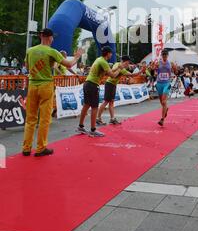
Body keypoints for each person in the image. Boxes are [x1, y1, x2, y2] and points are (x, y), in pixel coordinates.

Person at [23, 28, 83, 157]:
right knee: (44, 119)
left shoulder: (30, 50)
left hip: (32, 85)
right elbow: (68, 64)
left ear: (40, 36)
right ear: (50, 38)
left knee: (30, 119)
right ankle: (40, 148)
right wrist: (77, 56)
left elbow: (27, 67)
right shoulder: (52, 51)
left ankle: (26, 148)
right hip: (46, 86)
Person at [76, 47, 123, 137]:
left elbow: (108, 72)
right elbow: (113, 75)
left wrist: (117, 68)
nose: (112, 55)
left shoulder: (99, 59)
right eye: (111, 53)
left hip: (88, 83)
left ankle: (80, 126)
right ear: (108, 53)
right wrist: (119, 68)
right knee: (94, 107)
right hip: (93, 85)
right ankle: (93, 130)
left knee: (86, 105)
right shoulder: (103, 62)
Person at [97, 55, 142, 126]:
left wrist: (141, 71)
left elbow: (132, 75)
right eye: (126, 63)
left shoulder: (122, 68)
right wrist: (140, 71)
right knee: (106, 102)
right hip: (109, 84)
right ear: (123, 62)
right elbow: (113, 73)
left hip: (113, 85)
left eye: (128, 63)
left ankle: (112, 119)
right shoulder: (117, 65)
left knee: (111, 102)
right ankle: (98, 118)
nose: (127, 65)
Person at [155, 49, 176, 127]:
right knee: (162, 103)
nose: (164, 56)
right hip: (159, 83)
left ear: (167, 55)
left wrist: (175, 68)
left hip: (166, 83)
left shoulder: (170, 63)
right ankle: (166, 109)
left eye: (165, 55)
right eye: (163, 54)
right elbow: (154, 72)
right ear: (161, 55)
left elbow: (176, 72)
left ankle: (162, 119)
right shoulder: (158, 63)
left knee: (164, 102)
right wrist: (154, 68)